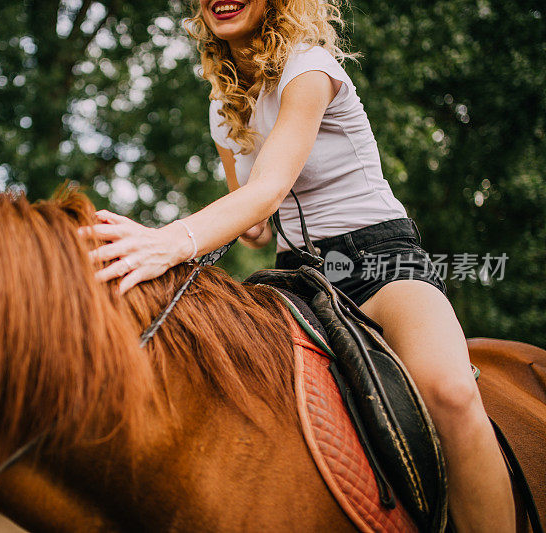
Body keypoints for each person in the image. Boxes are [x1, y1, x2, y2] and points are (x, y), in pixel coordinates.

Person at [80, 0, 514, 529]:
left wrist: (167, 241)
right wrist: (233, 222)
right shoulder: (223, 105)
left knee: (449, 391)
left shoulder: (309, 68)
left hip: (380, 262)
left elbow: (265, 192)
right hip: (299, 278)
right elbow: (259, 226)